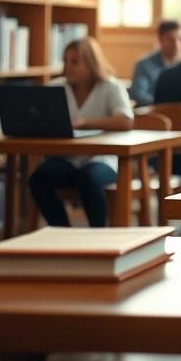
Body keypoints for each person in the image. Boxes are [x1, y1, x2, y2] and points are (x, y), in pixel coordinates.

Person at [28, 37, 134, 227]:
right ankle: (63, 232)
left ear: (91, 62)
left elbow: (125, 121)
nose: (68, 67)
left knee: (88, 178)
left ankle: (97, 236)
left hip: (103, 160)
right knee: (39, 179)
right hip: (67, 159)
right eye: (66, 61)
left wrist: (85, 123)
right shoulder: (56, 87)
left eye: (75, 62)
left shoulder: (111, 87)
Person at [129, 19, 181, 105]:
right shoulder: (144, 65)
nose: (176, 44)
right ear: (160, 39)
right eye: (171, 39)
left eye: (180, 39)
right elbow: (138, 94)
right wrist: (164, 105)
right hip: (153, 113)